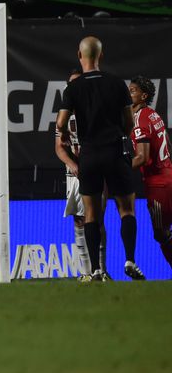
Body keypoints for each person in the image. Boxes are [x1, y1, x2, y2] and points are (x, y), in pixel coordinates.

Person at [55, 36, 144, 281]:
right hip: (115, 151)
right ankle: (130, 259)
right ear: (101, 56)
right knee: (127, 209)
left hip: (90, 155)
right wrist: (119, 135)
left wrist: (64, 134)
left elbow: (61, 123)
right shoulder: (116, 83)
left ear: (79, 55)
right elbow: (129, 121)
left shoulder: (73, 88)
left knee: (91, 215)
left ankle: (95, 269)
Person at [55, 69, 109, 280]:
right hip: (75, 174)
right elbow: (59, 148)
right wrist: (72, 164)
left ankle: (101, 270)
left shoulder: (98, 111)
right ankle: (86, 272)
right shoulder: (64, 116)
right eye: (71, 84)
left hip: (97, 169)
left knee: (97, 219)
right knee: (79, 220)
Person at [128, 75, 172, 271]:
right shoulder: (154, 115)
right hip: (169, 174)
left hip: (158, 185)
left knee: (161, 233)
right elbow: (167, 143)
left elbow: (142, 158)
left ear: (143, 96)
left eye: (133, 91)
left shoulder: (140, 119)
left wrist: (118, 170)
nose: (129, 94)